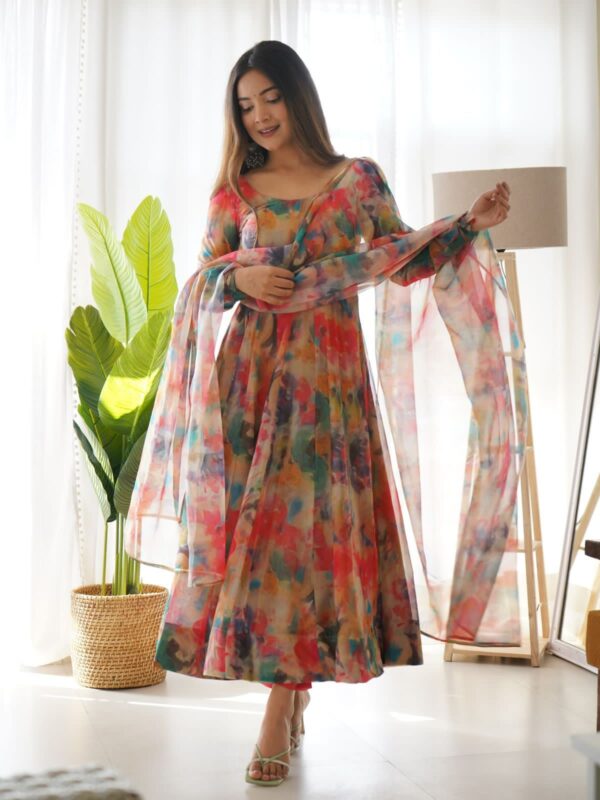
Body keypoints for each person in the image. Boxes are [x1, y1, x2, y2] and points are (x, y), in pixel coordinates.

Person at [125, 39, 514, 788]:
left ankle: (279, 708)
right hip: (247, 385)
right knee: (261, 546)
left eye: (271, 97)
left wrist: (467, 223)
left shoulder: (356, 180)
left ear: (297, 96)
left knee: (306, 544)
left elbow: (401, 257)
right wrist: (242, 278)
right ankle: (289, 690)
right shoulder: (235, 193)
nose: (260, 116)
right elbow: (202, 280)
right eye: (246, 105)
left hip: (326, 390)